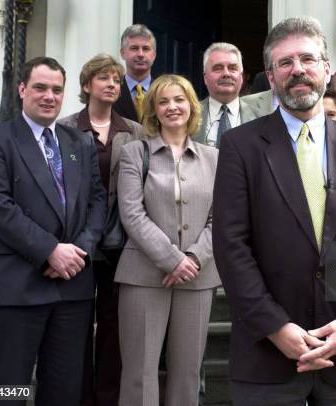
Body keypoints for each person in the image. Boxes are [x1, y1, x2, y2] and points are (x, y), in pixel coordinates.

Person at [213, 16, 336, 405]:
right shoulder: (239, 147)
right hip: (266, 356)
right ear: (271, 76)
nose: (298, 70)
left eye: (308, 59)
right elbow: (231, 246)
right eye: (285, 63)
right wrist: (276, 326)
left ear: (326, 69)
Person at [0, 56, 106, 405]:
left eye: (57, 90)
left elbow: (97, 203)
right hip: (18, 284)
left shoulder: (80, 142)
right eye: (40, 88)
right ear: (22, 90)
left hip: (72, 287)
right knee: (8, 391)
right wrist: (50, 250)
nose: (49, 96)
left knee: (64, 392)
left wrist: (79, 252)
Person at [116, 74, 220, 406]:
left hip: (198, 275)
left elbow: (222, 219)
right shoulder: (135, 152)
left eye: (179, 100)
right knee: (139, 371)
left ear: (191, 106)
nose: (172, 107)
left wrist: (192, 259)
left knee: (188, 372)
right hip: (143, 275)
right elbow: (131, 213)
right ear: (153, 111)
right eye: (163, 102)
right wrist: (173, 259)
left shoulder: (214, 158)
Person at [58, 53, 144, 406]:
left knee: (113, 329)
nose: (111, 85)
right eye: (103, 78)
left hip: (119, 246)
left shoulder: (133, 130)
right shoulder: (64, 127)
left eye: (115, 79)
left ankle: (108, 398)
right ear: (86, 85)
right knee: (77, 326)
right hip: (76, 245)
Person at [193, 42, 257, 147]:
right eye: (218, 68)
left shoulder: (263, 116)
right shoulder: (189, 115)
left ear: (241, 77)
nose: (226, 74)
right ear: (205, 77)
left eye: (232, 68)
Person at [114, 24, 157, 123]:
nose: (140, 54)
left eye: (146, 49)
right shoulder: (111, 91)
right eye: (134, 48)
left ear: (154, 55)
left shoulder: (163, 91)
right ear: (122, 53)